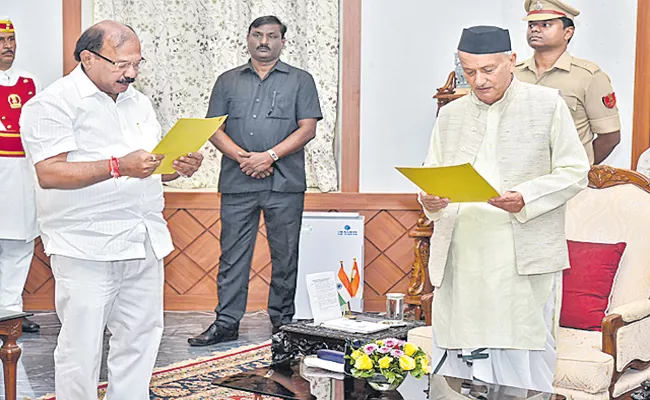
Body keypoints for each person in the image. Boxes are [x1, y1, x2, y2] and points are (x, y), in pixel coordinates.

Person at [20, 21, 203, 400]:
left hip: (143, 237)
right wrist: (118, 166)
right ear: (87, 58)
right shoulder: (52, 104)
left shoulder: (139, 101)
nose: (131, 74)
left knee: (141, 337)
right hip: (86, 244)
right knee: (81, 348)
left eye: (137, 63)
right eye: (121, 64)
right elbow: (49, 173)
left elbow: (148, 165)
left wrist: (175, 167)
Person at [420, 25, 589, 393]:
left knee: (520, 366)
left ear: (512, 61)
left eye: (488, 70)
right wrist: (429, 199)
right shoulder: (451, 115)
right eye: (469, 71)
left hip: (521, 257)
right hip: (463, 255)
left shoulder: (547, 104)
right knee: (462, 374)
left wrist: (526, 196)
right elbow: (432, 175)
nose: (478, 80)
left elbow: (576, 171)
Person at [188, 15, 322, 346]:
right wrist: (243, 159)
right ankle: (226, 322)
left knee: (285, 254)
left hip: (285, 183)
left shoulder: (301, 80)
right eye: (258, 35)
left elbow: (308, 128)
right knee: (232, 255)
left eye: (272, 36)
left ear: (283, 42)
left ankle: (283, 322)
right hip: (238, 181)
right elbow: (213, 129)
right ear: (248, 38)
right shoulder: (227, 81)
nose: (264, 41)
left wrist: (270, 156)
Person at [515, 0, 621, 165]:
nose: (535, 29)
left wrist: (581, 167)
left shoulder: (588, 76)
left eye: (545, 24)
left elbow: (609, 137)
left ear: (568, 32)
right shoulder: (514, 74)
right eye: (531, 25)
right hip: (521, 175)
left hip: (568, 182)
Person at [0, 17, 40, 333]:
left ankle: (10, 311)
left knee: (18, 244)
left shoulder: (28, 82)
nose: (8, 47)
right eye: (1, 41)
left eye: (11, 40)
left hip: (22, 172)